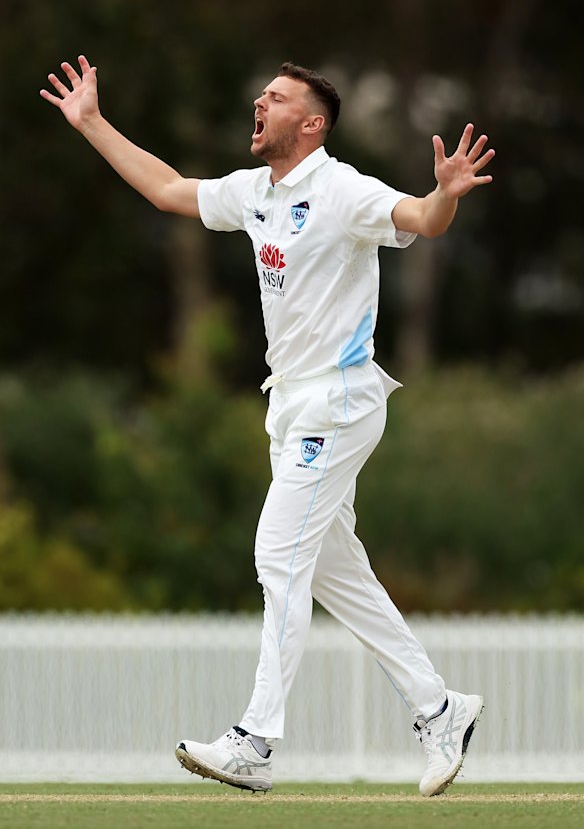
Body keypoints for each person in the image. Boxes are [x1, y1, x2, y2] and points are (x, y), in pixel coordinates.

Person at [41, 56, 494, 797]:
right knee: (332, 573)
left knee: (277, 554)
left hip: (340, 401)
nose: (260, 100)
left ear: (310, 124)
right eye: (263, 92)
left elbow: (420, 218)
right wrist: (91, 122)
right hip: (288, 407)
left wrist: (444, 196)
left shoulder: (343, 190)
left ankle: (256, 739)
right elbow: (165, 189)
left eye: (277, 97)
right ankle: (440, 707)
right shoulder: (256, 193)